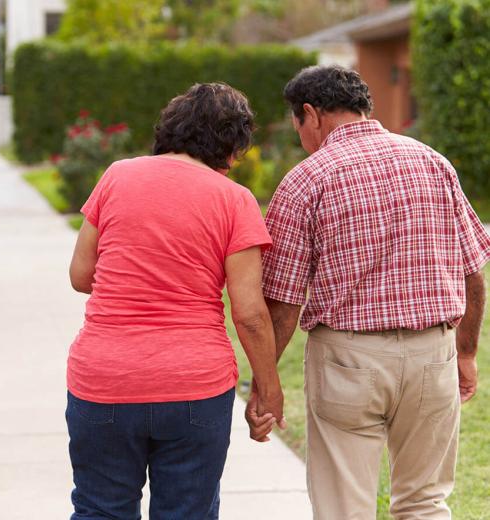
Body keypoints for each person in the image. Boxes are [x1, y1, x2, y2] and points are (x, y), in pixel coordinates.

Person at [258, 65, 490, 519]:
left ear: (311, 114)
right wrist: (465, 354)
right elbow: (473, 273)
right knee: (425, 503)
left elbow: (283, 303)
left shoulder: (305, 180)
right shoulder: (432, 162)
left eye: (298, 126)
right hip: (432, 356)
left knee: (346, 508)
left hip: (349, 361)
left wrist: (266, 388)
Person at [66, 82, 286, 519]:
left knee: (99, 510)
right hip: (194, 385)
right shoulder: (235, 200)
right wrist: (268, 390)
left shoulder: (117, 175)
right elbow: (250, 314)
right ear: (231, 145)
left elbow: (80, 275)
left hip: (104, 378)